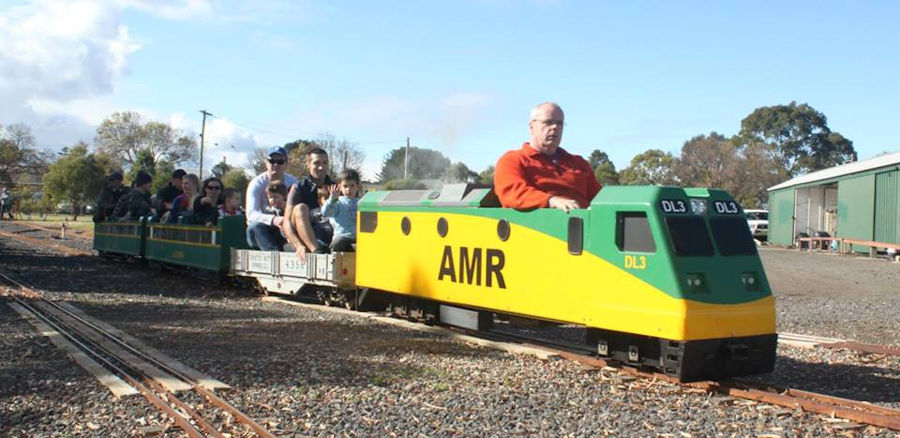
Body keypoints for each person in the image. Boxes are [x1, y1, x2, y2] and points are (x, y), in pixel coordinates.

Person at [494, 102, 602, 212]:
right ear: (531, 127)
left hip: (585, 223)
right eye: (548, 122)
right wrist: (552, 201)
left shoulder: (579, 163)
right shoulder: (512, 161)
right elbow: (513, 194)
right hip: (536, 226)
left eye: (560, 123)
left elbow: (600, 199)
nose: (555, 127)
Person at [284, 147, 335, 258]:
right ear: (308, 164)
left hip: (326, 233)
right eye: (316, 163)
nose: (321, 167)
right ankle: (316, 251)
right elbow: (286, 221)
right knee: (300, 208)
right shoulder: (298, 187)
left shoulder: (335, 187)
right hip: (304, 235)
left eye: (325, 163)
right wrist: (298, 245)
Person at [245, 146, 297, 250]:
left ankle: (294, 248)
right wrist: (274, 220)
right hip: (262, 231)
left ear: (286, 164)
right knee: (255, 226)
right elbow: (251, 214)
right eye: (272, 161)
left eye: (280, 161)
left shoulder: (293, 182)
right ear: (266, 163)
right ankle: (273, 255)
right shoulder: (257, 183)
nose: (276, 164)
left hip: (286, 228)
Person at [322, 169, 360, 252]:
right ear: (340, 187)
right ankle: (334, 262)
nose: (348, 189)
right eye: (345, 186)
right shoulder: (337, 202)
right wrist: (332, 200)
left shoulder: (361, 203)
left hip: (359, 237)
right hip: (343, 236)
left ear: (357, 187)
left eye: (352, 185)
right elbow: (325, 212)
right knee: (337, 243)